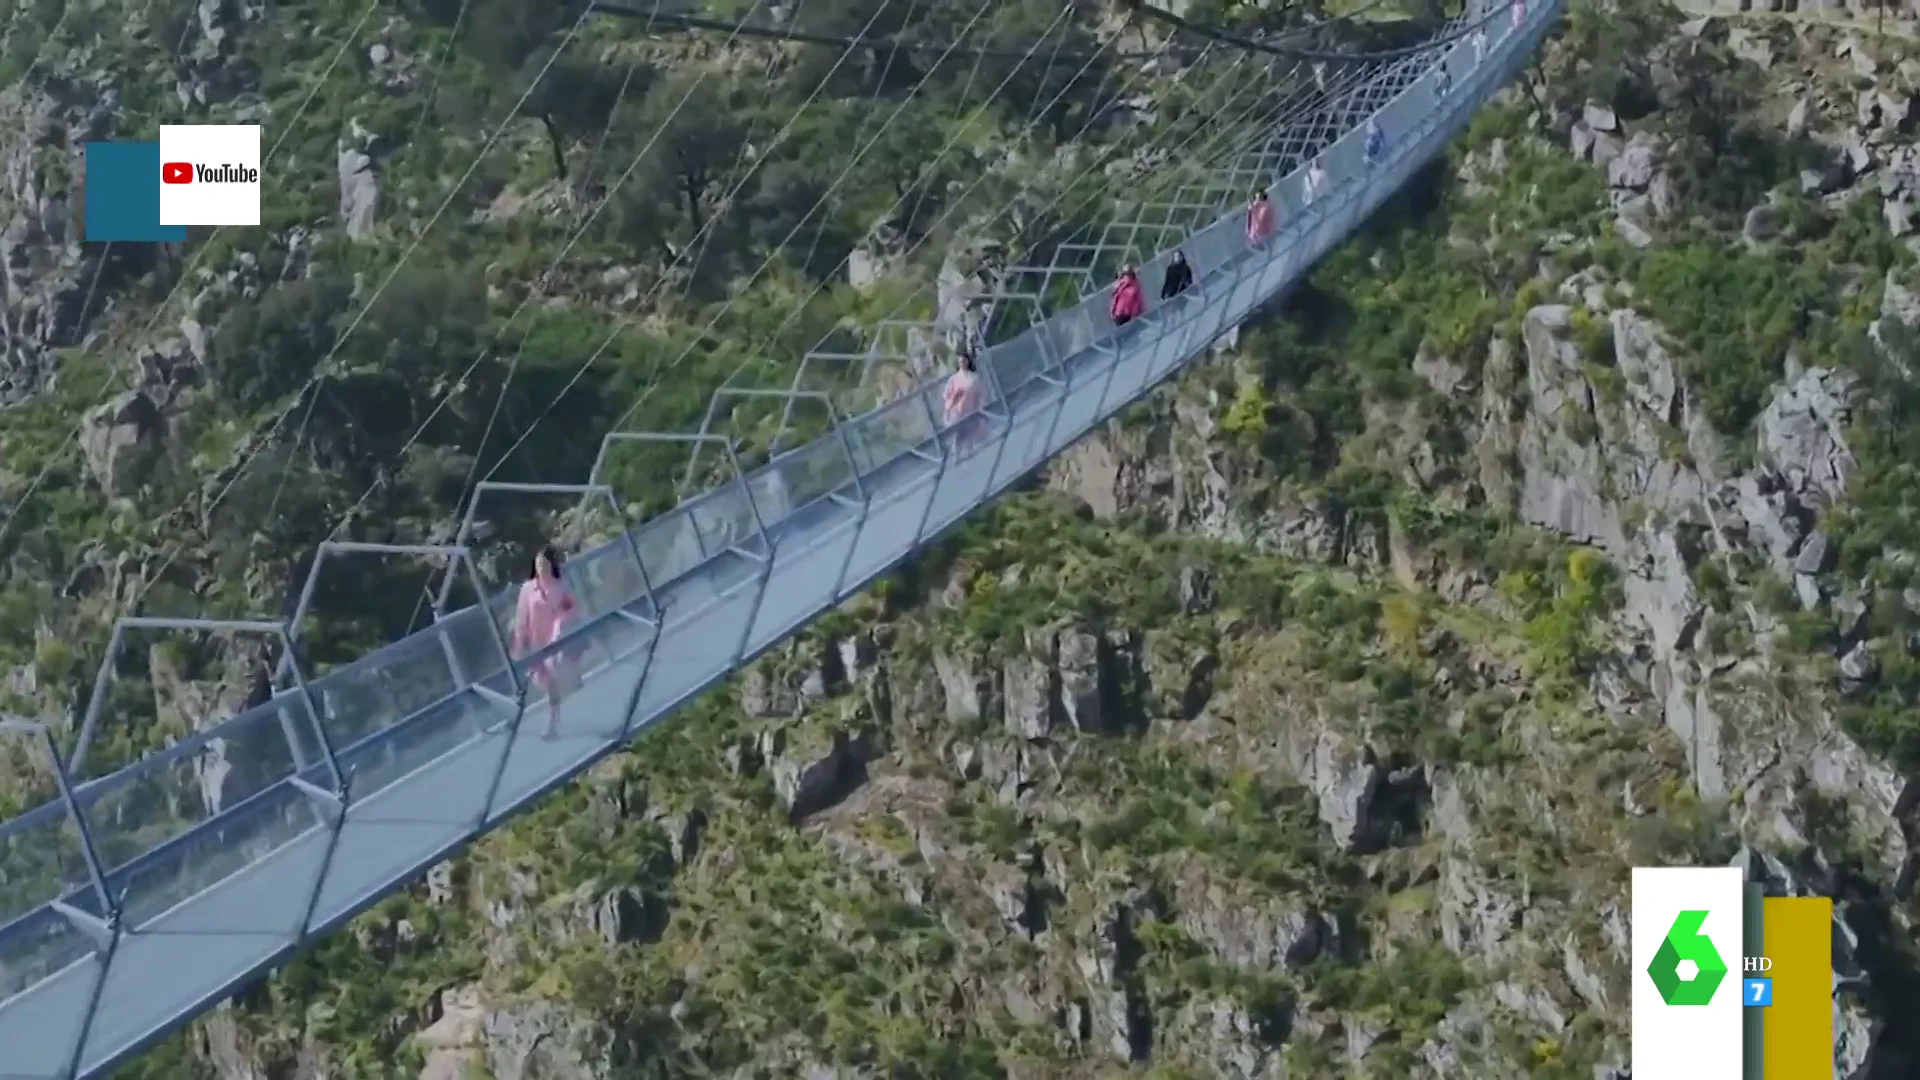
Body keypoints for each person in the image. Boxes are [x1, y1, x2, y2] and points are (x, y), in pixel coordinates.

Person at [512, 544, 579, 739]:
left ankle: (551, 725)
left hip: (553, 643)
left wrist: (560, 625)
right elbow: (521, 615)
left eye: (545, 564)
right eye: (538, 564)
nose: (541, 567)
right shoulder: (528, 588)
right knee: (539, 682)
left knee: (551, 685)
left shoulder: (560, 587)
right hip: (534, 642)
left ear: (552, 565)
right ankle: (553, 711)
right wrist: (520, 638)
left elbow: (570, 608)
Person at [942, 350, 987, 451]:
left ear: (968, 361)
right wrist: (951, 406)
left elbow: (980, 395)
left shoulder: (974, 378)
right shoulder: (953, 379)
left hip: (970, 413)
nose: (962, 362)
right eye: (960, 361)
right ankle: (958, 459)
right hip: (956, 415)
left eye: (964, 360)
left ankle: (968, 458)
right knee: (958, 438)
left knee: (969, 438)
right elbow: (946, 397)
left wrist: (981, 410)